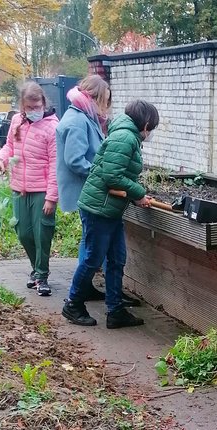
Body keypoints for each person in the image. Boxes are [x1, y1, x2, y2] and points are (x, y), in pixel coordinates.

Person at [61, 99, 158, 329]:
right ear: (145, 123)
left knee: (116, 259)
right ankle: (73, 304)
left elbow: (117, 172)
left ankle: (115, 311)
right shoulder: (125, 137)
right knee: (93, 259)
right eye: (152, 127)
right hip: (98, 208)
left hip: (109, 208)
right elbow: (112, 176)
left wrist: (134, 192)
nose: (151, 132)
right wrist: (139, 193)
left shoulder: (126, 135)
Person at [0, 82, 59, 296]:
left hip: (41, 189)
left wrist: (51, 197)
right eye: (29, 108)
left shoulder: (52, 127)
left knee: (42, 233)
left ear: (43, 102)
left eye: (37, 105)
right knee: (23, 232)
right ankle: (35, 269)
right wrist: (2, 159)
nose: (33, 111)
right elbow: (9, 146)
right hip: (19, 187)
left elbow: (55, 164)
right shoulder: (16, 122)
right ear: (22, 106)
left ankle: (41, 275)